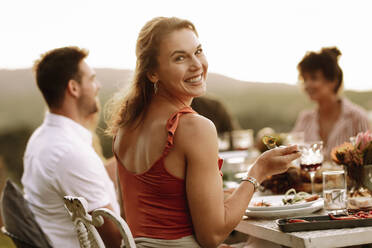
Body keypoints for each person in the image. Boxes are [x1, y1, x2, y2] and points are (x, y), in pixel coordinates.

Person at [105, 17, 300, 248]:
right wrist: (259, 170)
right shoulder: (194, 128)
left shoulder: (125, 126)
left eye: (198, 51)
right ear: (152, 73)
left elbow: (140, 215)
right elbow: (213, 236)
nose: (196, 64)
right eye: (179, 57)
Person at [21, 47, 121, 247]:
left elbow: (93, 175)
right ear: (73, 88)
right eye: (92, 79)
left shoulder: (44, 137)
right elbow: (116, 237)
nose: (98, 85)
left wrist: (134, 157)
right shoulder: (69, 152)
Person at [292, 47, 370, 160]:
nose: (307, 85)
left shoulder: (357, 118)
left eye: (313, 78)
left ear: (333, 80)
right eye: (305, 79)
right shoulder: (305, 119)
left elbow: (367, 166)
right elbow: (291, 157)